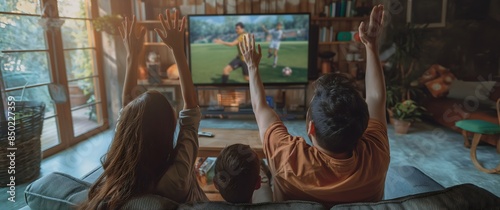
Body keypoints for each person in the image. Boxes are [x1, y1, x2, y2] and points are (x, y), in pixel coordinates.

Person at [238, 5, 388, 207]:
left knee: (262, 183)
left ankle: (265, 178)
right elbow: (377, 98)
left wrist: (251, 66)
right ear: (363, 126)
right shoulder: (376, 154)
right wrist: (371, 45)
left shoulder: (288, 157)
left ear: (310, 128)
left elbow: (259, 107)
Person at [79, 10, 207, 210]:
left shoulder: (117, 167)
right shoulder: (175, 179)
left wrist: (132, 55)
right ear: (166, 129)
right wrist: (178, 50)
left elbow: (127, 110)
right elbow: (190, 108)